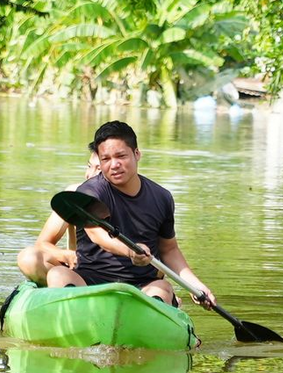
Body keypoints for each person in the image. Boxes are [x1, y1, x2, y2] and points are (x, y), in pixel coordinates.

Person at [44, 120, 215, 308]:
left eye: (121, 156)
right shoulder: (90, 192)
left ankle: (152, 314)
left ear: (137, 154)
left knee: (162, 287)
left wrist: (195, 285)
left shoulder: (162, 197)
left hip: (141, 286)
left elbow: (169, 250)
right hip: (89, 281)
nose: (114, 165)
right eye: (106, 159)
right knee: (57, 274)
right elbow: (97, 234)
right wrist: (130, 251)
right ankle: (73, 314)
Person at [16, 148, 100, 284]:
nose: (89, 175)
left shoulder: (130, 197)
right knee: (28, 258)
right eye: (89, 166)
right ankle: (64, 289)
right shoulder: (73, 194)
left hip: (117, 274)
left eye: (99, 169)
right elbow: (42, 244)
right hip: (78, 272)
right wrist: (66, 255)